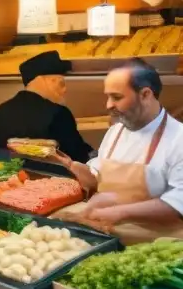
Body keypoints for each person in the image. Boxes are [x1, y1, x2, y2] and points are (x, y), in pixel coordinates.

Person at [58, 61, 183, 243]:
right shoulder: (115, 132)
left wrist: (120, 212)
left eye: (116, 97)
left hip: (157, 245)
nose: (108, 105)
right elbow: (100, 175)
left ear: (145, 95)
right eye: (108, 97)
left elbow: (177, 203)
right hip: (107, 237)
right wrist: (79, 170)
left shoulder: (178, 139)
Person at [0, 50, 92, 164]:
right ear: (42, 81)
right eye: (61, 84)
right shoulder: (59, 114)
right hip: (51, 180)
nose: (65, 90)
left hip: (7, 179)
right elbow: (79, 158)